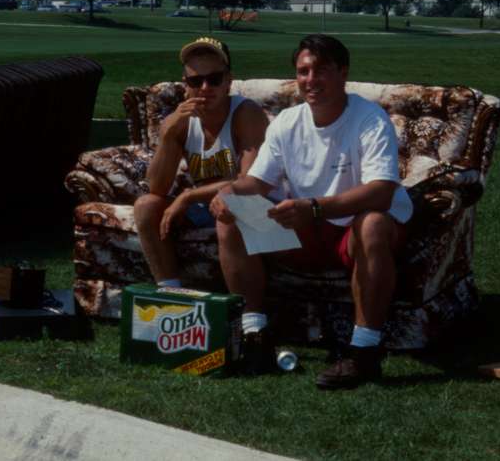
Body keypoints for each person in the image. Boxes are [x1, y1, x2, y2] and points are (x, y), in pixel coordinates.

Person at [210, 34, 413, 389]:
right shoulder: (288, 121)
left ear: (343, 73)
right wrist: (228, 192)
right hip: (309, 226)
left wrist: (315, 207)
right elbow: (257, 182)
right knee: (232, 216)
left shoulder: (370, 118)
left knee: (373, 224)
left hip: (352, 229)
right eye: (303, 71)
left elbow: (382, 192)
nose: (310, 80)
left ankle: (363, 353)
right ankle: (255, 335)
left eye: (321, 70)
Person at [134, 37, 269, 292]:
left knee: (231, 208)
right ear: (186, 85)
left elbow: (249, 182)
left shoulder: (246, 114)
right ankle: (171, 293)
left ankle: (244, 312)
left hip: (253, 206)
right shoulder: (181, 120)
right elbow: (156, 188)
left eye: (214, 79)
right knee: (146, 206)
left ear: (228, 80)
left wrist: (188, 196)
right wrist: (168, 134)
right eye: (196, 81)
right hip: (205, 207)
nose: (205, 87)